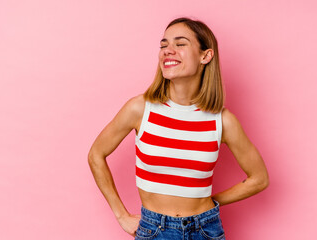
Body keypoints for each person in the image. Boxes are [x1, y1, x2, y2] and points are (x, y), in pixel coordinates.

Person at [88, 17, 269, 239]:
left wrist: (211, 203)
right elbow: (96, 154)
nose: (167, 51)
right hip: (154, 229)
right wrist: (121, 215)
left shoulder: (222, 120)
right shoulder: (140, 108)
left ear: (205, 55)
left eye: (180, 44)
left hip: (206, 229)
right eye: (164, 45)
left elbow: (259, 178)